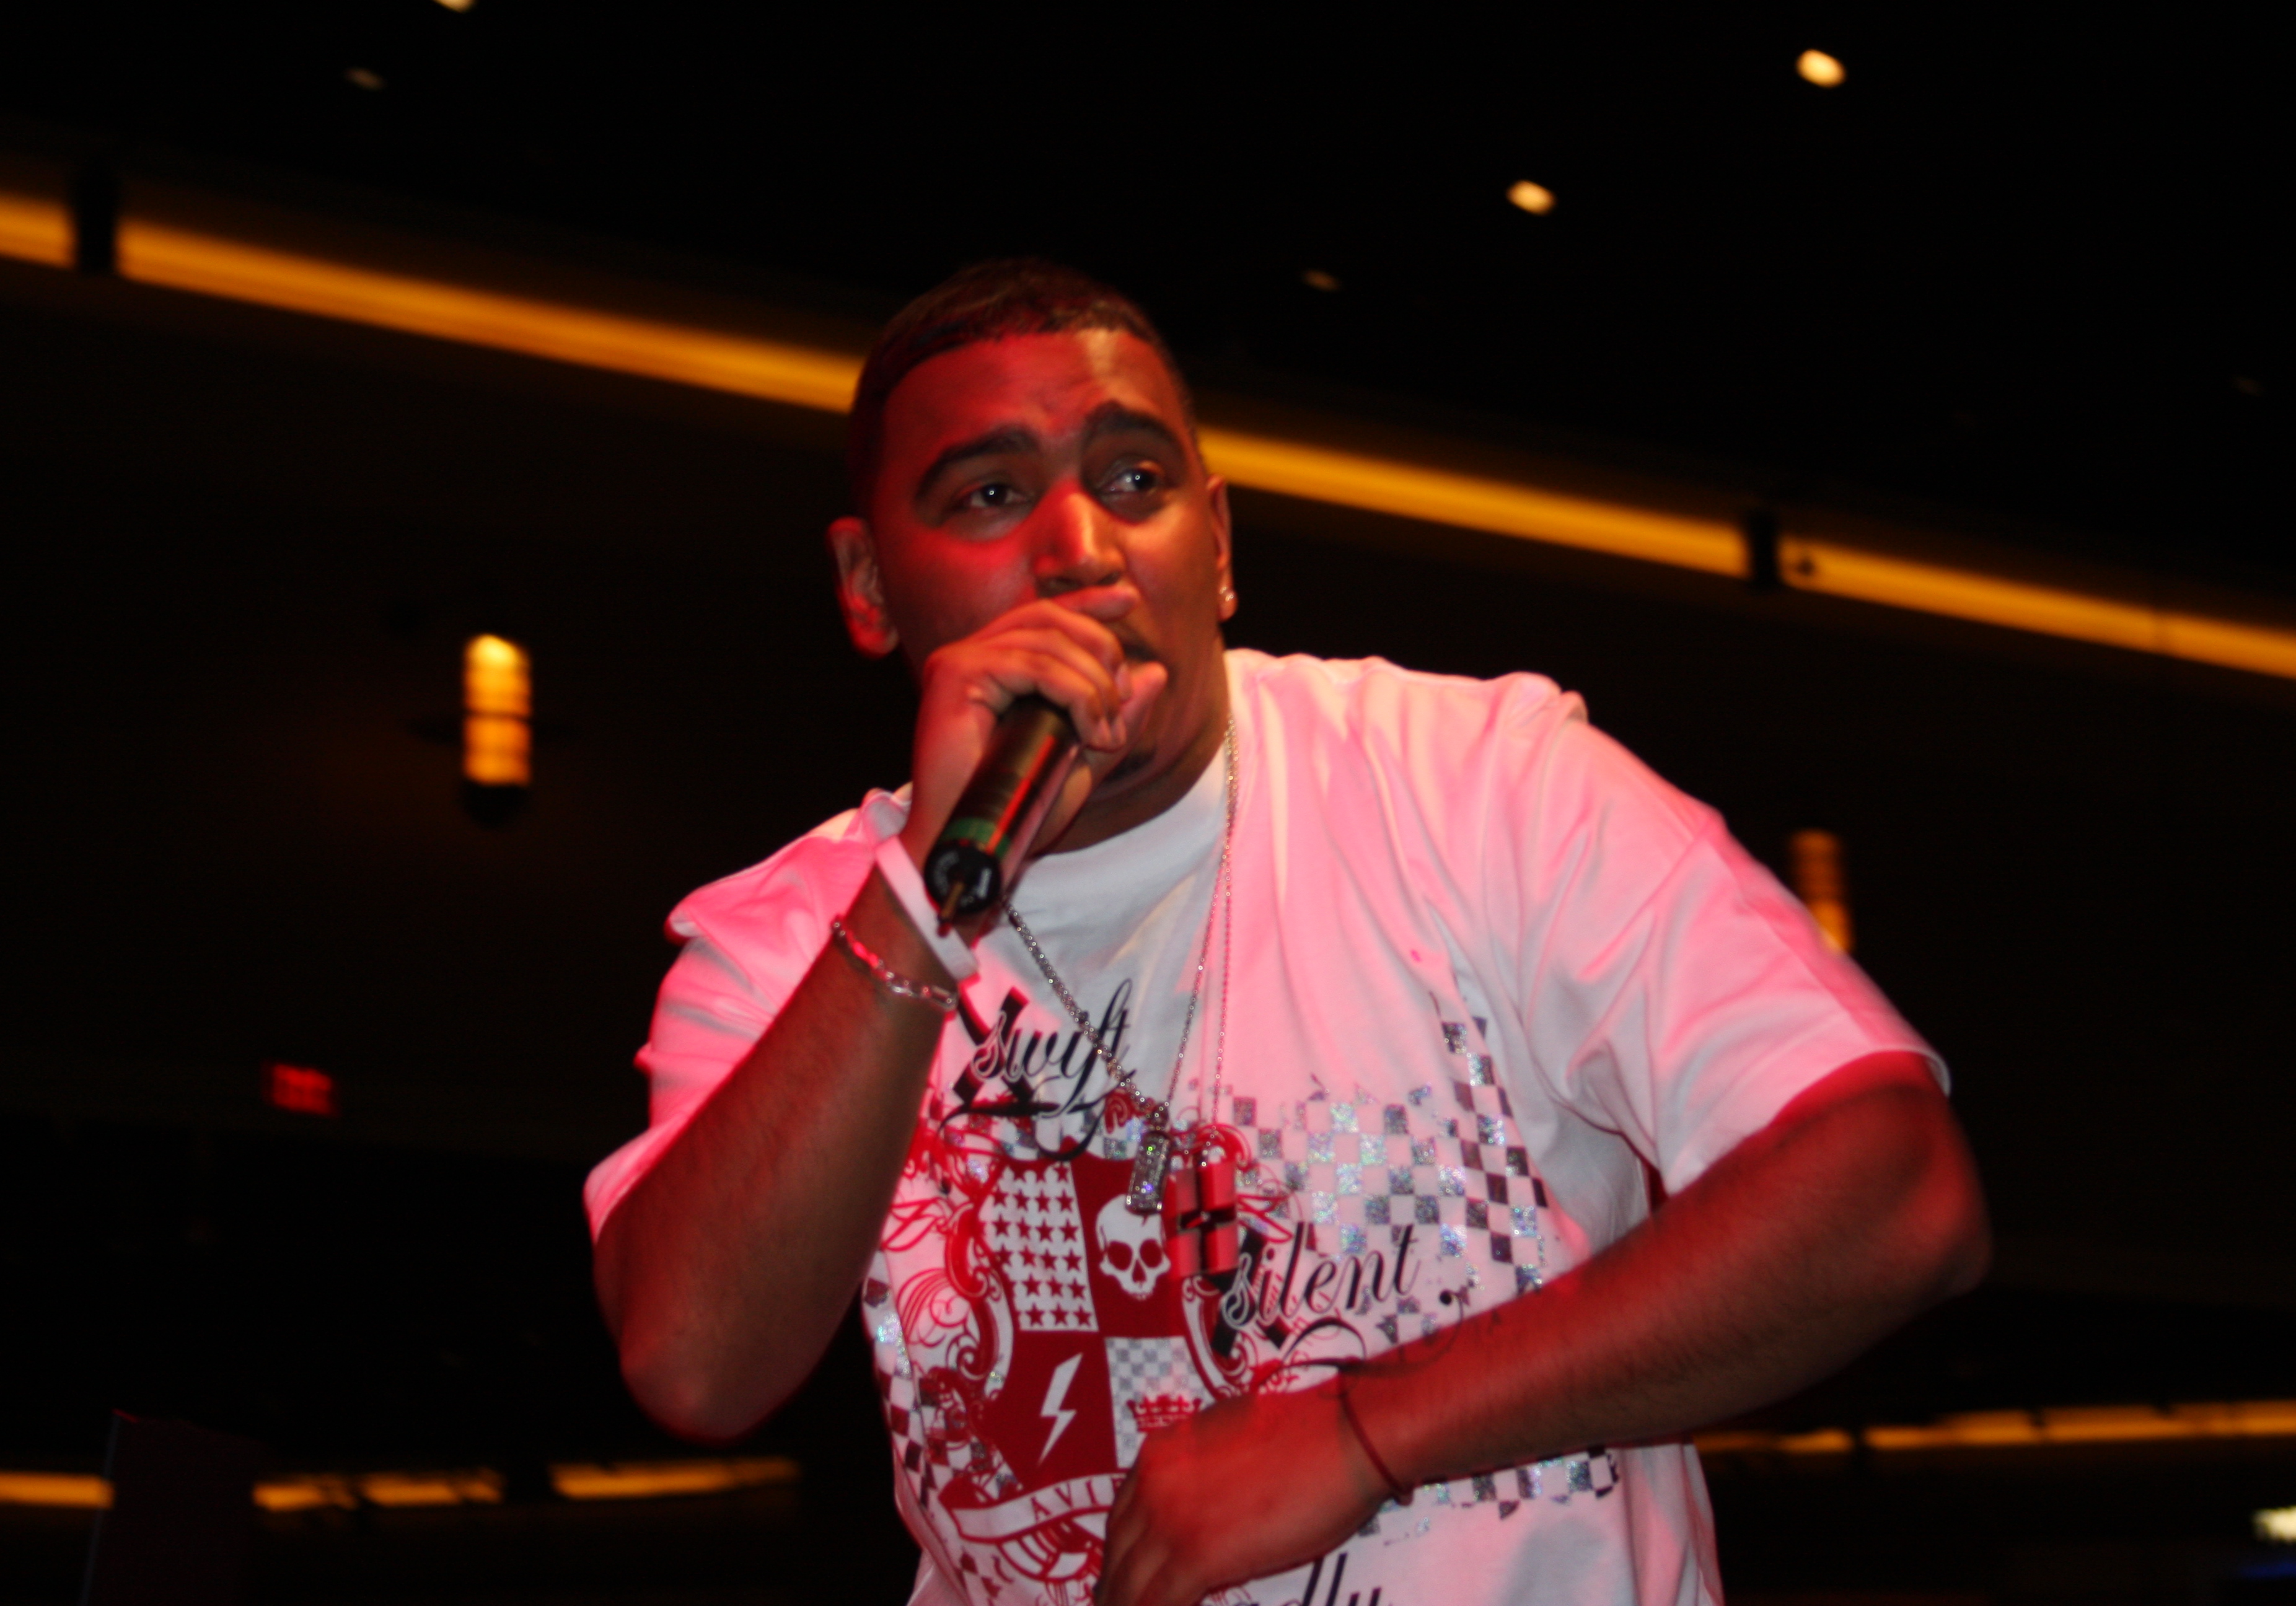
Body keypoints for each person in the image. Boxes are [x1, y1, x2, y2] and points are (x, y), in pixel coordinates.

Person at [584, 260, 1989, 1606]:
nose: (1081, 550)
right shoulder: (792, 937)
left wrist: (1368, 1431)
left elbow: (1896, 1190)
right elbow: (697, 1362)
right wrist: (924, 898)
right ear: (868, 585)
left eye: (1134, 481)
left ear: (1219, 543)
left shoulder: (1479, 784)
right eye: (992, 494)